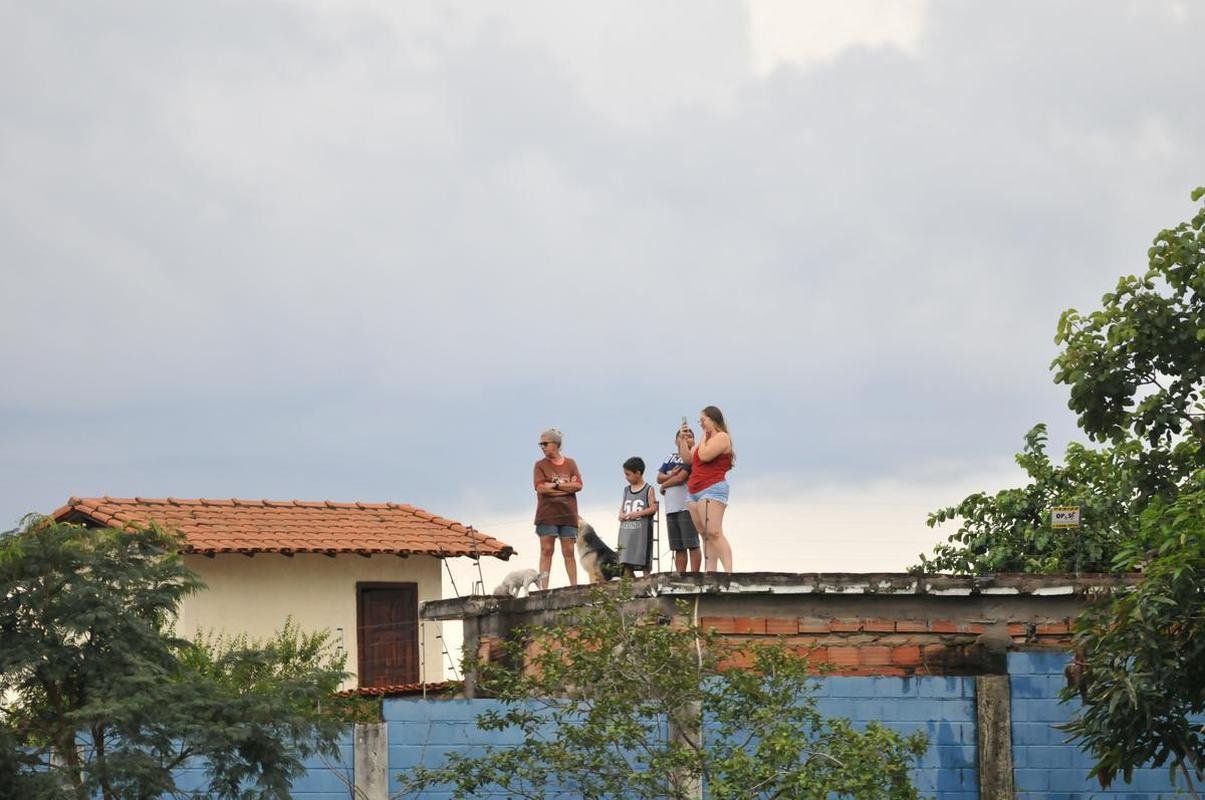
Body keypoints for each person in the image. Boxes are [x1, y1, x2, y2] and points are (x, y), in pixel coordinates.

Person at [681, 406, 734, 572]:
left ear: (712, 419)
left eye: (703, 420)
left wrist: (704, 436)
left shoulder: (721, 437)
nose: (701, 424)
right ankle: (710, 571)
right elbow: (688, 459)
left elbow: (704, 455)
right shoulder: (704, 441)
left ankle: (729, 573)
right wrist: (683, 441)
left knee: (714, 532)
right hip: (694, 491)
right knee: (705, 535)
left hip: (712, 488)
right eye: (700, 421)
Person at [532, 428, 582, 589]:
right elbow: (540, 488)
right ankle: (543, 588)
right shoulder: (540, 465)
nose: (542, 447)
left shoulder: (571, 463)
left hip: (568, 514)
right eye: (541, 444)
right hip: (547, 514)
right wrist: (566, 487)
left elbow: (578, 485)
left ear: (556, 444)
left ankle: (574, 586)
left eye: (545, 443)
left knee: (569, 551)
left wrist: (554, 485)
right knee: (547, 550)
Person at [657, 428, 701, 573]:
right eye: (682, 436)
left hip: (686, 505)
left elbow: (681, 477)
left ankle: (695, 575)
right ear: (676, 440)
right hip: (671, 507)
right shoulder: (670, 457)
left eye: (690, 436)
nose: (686, 438)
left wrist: (665, 484)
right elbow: (659, 477)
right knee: (678, 546)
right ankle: (680, 575)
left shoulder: (691, 456)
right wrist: (669, 476)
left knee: (691, 543)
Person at [616, 456, 657, 578]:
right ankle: (628, 583)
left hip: (641, 532)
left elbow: (653, 508)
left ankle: (646, 581)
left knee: (643, 558)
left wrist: (638, 514)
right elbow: (622, 506)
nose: (626, 477)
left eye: (628, 474)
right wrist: (621, 515)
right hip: (626, 531)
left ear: (638, 473)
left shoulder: (648, 489)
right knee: (625, 559)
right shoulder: (626, 490)